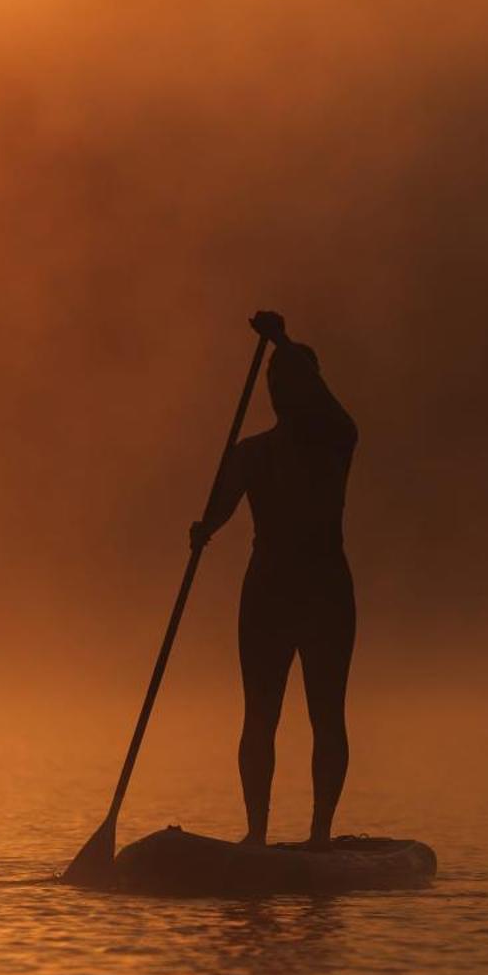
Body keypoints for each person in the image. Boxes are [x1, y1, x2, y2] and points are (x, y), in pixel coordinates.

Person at [190, 311, 357, 848]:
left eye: (292, 381)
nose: (283, 391)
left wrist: (283, 343)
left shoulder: (337, 443)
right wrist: (204, 529)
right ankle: (256, 835)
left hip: (325, 588)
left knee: (325, 713)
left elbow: (329, 412)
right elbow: (220, 508)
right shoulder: (252, 453)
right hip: (268, 591)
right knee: (260, 714)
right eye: (276, 383)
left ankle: (320, 836)